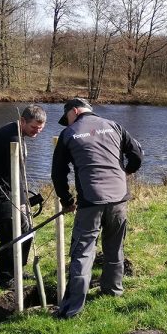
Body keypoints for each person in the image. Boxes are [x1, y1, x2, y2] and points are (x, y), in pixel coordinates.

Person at [51, 98, 143, 319]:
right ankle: (113, 291)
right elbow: (137, 154)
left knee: (82, 252)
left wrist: (66, 200)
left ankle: (72, 309)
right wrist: (126, 172)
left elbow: (58, 174)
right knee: (114, 246)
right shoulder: (114, 125)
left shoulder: (69, 134)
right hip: (119, 198)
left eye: (68, 118)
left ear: (74, 111)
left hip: (91, 201)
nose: (67, 123)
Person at [0, 104, 46, 289]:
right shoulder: (12, 138)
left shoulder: (17, 132)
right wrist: (22, 203)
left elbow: (19, 175)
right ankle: (4, 278)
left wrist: (24, 201)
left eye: (40, 129)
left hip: (11, 191)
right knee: (11, 235)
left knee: (27, 231)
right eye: (34, 127)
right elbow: (16, 175)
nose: (37, 132)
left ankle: (18, 269)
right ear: (23, 121)